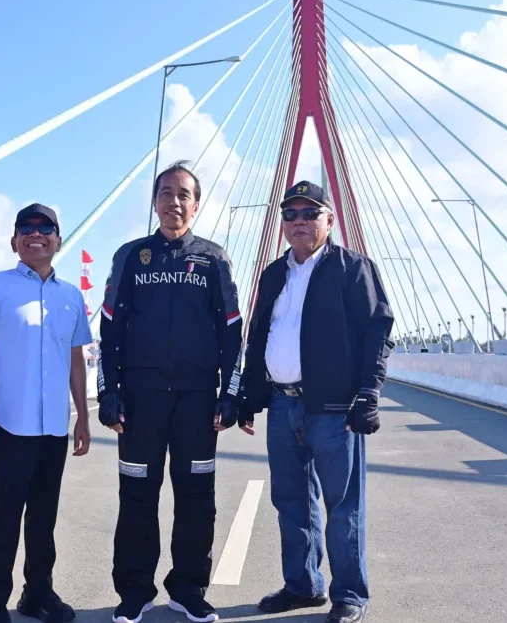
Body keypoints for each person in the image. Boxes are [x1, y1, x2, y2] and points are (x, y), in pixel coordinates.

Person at [237, 181, 395, 623]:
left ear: (330, 219)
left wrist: (369, 394)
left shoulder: (351, 268)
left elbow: (378, 332)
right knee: (291, 501)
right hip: (283, 404)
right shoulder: (273, 274)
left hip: (333, 409)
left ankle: (350, 593)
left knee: (343, 505)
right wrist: (250, 394)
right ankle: (304, 586)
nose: (299, 221)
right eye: (291, 214)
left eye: (310, 213)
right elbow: (259, 335)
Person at [97, 161, 244, 623]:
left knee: (197, 497)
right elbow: (109, 332)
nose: (173, 201)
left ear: (195, 204)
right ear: (154, 201)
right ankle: (135, 592)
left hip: (198, 403)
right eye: (165, 192)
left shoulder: (214, 258)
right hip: (140, 403)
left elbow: (232, 335)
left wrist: (230, 394)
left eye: (183, 194)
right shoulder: (130, 256)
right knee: (137, 496)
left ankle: (188, 588)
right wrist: (109, 393)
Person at [0, 203, 93, 623]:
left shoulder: (70, 296)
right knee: (3, 517)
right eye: (26, 228)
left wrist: (83, 418)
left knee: (43, 518)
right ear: (14, 240)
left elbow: (76, 359)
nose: (36, 234)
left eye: (46, 228)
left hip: (54, 427)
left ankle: (38, 594)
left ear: (58, 239)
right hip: (7, 425)